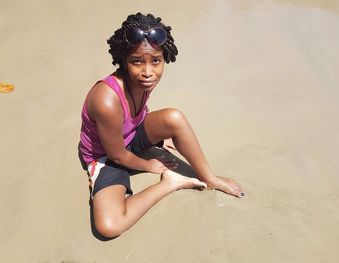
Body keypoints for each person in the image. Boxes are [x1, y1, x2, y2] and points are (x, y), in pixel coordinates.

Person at [79, 12, 244, 238]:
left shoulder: (144, 81)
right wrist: (150, 166)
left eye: (155, 60)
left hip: (130, 136)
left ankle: (210, 178)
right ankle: (170, 183)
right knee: (109, 226)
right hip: (106, 156)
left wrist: (159, 135)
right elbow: (118, 156)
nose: (148, 72)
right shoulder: (106, 99)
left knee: (173, 118)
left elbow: (139, 113)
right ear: (124, 61)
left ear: (164, 58)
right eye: (137, 61)